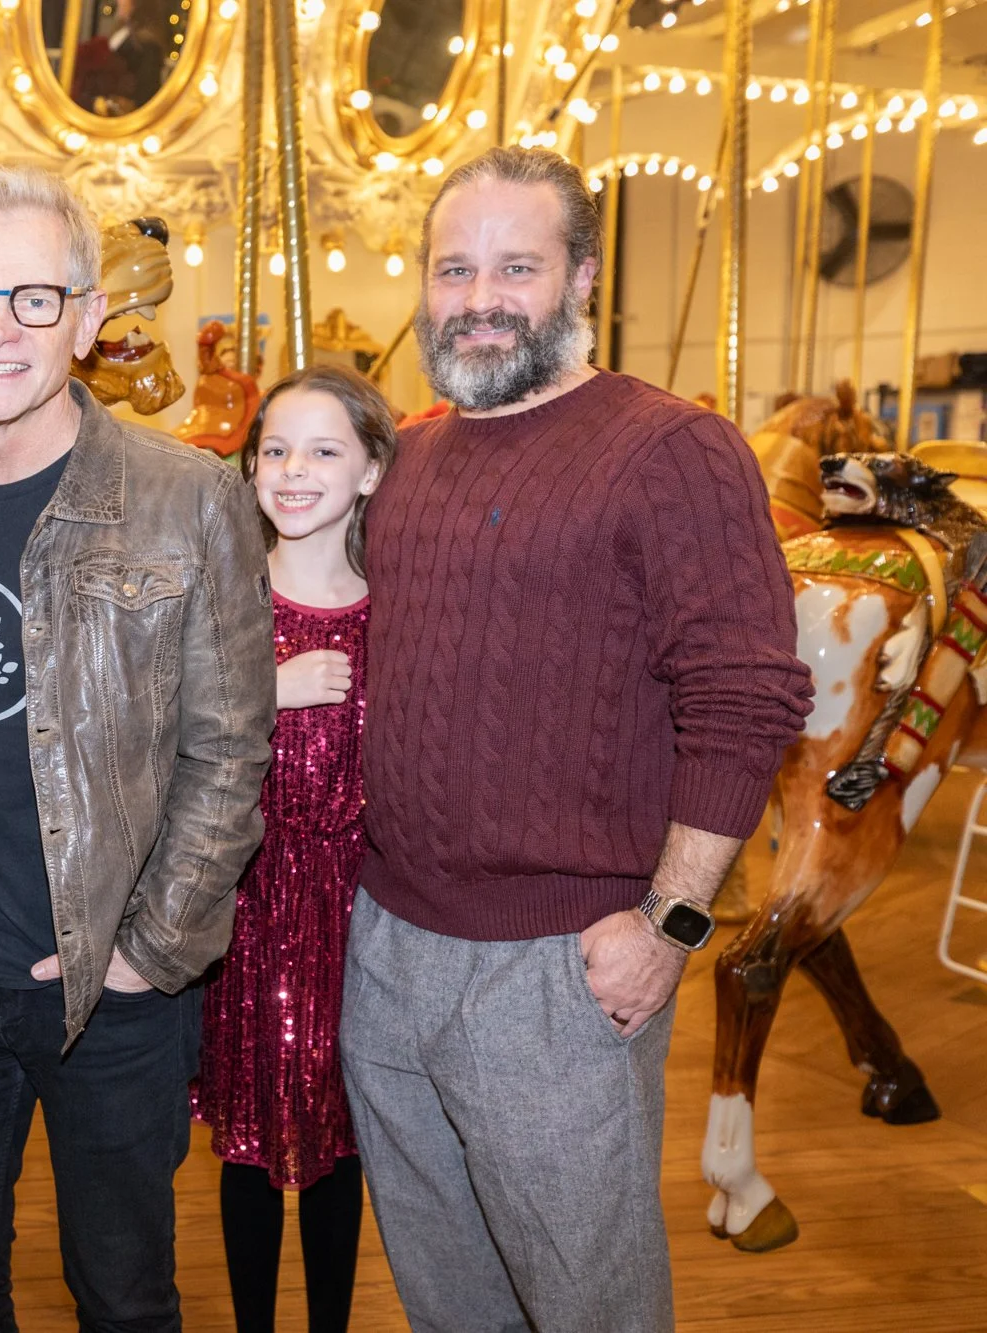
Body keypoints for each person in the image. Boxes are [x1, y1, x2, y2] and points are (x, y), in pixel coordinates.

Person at [342, 145, 814, 1331]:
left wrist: (670, 923)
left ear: (582, 278)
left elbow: (742, 695)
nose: (479, 297)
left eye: (516, 265)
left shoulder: (669, 449)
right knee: (445, 1297)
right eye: (454, 268)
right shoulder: (410, 454)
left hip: (556, 967)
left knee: (583, 1302)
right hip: (386, 949)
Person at [0, 164, 276, 1332]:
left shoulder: (187, 497)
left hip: (113, 985)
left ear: (89, 319)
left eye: (35, 297)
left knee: (124, 1295)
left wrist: (152, 947)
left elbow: (228, 749)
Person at [195, 366, 394, 1333]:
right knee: (244, 1143)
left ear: (369, 472)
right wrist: (260, 691)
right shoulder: (221, 598)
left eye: (323, 450)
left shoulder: (396, 615)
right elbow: (151, 734)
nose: (293, 469)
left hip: (359, 918)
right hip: (244, 912)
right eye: (275, 449)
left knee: (337, 1146)